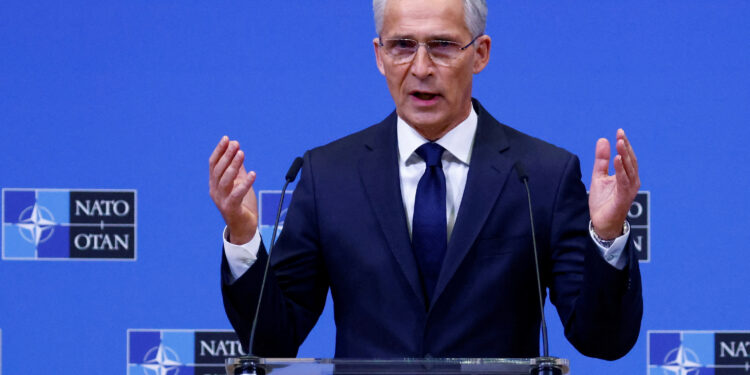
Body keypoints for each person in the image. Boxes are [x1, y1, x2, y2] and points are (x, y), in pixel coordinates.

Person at [209, 0, 642, 360]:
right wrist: (246, 238)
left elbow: (602, 340)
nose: (420, 67)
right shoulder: (329, 176)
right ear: (379, 56)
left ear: (481, 53)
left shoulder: (542, 175)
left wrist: (605, 236)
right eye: (402, 46)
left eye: (442, 46)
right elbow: (273, 342)